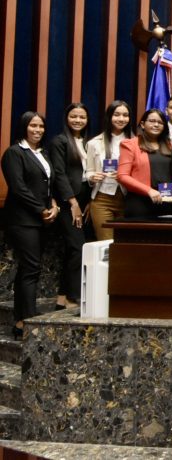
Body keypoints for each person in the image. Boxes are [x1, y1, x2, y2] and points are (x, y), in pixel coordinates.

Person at [1, 112, 59, 339]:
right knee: (31, 268)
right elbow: (18, 187)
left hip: (42, 219)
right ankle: (28, 319)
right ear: (24, 127)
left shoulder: (42, 153)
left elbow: (47, 186)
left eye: (41, 126)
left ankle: (20, 321)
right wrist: (41, 209)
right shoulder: (15, 153)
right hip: (22, 220)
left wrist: (54, 205)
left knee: (29, 268)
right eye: (33, 125)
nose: (37, 130)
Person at [48, 103, 91, 310]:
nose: (78, 121)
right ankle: (73, 297)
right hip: (68, 203)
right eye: (74, 116)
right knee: (76, 247)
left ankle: (62, 298)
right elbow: (59, 174)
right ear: (67, 118)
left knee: (72, 251)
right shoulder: (60, 141)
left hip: (85, 200)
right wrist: (72, 202)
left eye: (82, 117)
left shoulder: (89, 142)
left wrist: (89, 200)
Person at [85, 100, 133, 240]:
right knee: (106, 245)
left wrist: (124, 176)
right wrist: (92, 177)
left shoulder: (136, 142)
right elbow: (88, 171)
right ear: (109, 117)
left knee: (125, 245)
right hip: (102, 199)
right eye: (116, 114)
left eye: (125, 115)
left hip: (127, 199)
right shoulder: (94, 143)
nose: (121, 119)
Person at [118, 109, 172, 218]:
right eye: (152, 121)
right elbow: (122, 176)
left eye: (160, 123)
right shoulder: (130, 144)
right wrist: (148, 190)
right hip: (139, 202)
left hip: (167, 202)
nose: (156, 125)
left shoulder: (171, 146)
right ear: (143, 124)